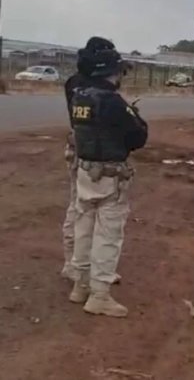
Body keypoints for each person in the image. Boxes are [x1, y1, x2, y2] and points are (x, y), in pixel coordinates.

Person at [68, 41, 148, 318]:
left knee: (83, 229)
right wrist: (135, 114)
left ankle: (80, 286)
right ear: (111, 72)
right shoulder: (112, 101)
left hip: (85, 172)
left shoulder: (79, 96)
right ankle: (99, 295)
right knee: (107, 235)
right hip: (110, 175)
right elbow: (139, 137)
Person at [61, 37, 116, 282]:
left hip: (77, 147)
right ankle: (78, 267)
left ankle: (74, 265)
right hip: (90, 153)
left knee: (79, 207)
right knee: (86, 212)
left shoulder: (74, 83)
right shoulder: (93, 86)